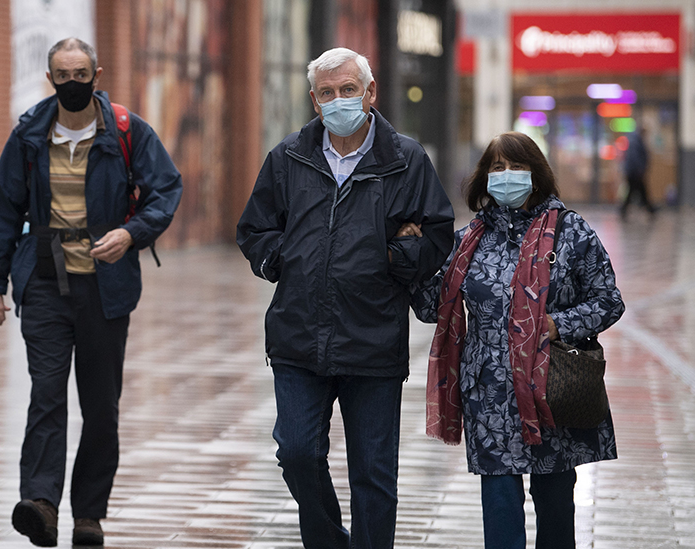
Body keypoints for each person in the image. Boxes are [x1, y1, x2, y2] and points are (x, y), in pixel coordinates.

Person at [236, 47, 455, 549]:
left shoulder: (406, 159)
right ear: (315, 101)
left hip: (372, 337)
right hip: (297, 336)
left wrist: (397, 257)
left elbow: (438, 233)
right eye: (328, 93)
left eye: (348, 90)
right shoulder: (288, 157)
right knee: (295, 452)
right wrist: (280, 259)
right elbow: (255, 228)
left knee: (374, 478)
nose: (339, 101)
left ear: (370, 93)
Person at [0, 37, 182, 547]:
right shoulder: (29, 134)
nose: (72, 83)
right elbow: (3, 211)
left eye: (80, 73)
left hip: (105, 288)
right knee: (45, 394)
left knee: (100, 404)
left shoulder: (127, 130)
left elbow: (166, 190)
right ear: (50, 78)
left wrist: (132, 234)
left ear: (97, 72)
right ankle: (41, 503)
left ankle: (89, 513)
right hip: (44, 281)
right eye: (62, 75)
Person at [411, 131, 625, 549]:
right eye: (497, 167)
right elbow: (429, 306)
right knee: (500, 500)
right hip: (488, 391)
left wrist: (556, 324)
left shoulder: (571, 232)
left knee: (555, 499)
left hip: (551, 386)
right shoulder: (469, 238)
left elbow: (608, 301)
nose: (506, 175)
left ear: (537, 175)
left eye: (517, 167)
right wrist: (411, 254)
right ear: (484, 178)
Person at [620, 126, 656, 219]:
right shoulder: (635, 141)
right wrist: (639, 169)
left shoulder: (635, 140)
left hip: (633, 171)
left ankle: (650, 209)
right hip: (634, 172)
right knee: (639, 191)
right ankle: (650, 209)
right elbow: (635, 157)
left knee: (637, 192)